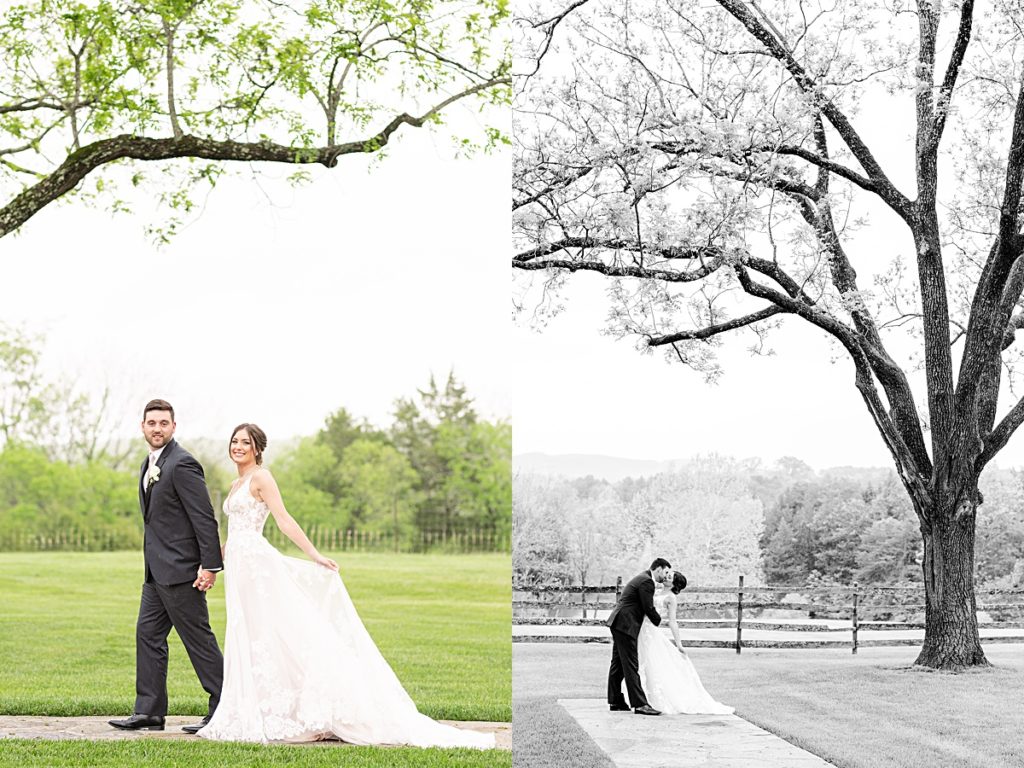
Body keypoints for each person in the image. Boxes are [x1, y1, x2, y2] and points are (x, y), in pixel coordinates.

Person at [197, 423, 494, 748]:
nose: (238, 446)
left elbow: (284, 520)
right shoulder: (234, 483)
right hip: (240, 569)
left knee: (278, 632)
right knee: (252, 635)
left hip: (258, 570)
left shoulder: (262, 478)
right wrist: (212, 567)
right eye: (235, 441)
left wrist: (314, 554)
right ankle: (266, 709)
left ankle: (314, 708)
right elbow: (235, 536)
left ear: (257, 449)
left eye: (246, 442)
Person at [109, 399, 224, 733]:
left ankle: (225, 706)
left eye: (163, 423)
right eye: (151, 423)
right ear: (142, 426)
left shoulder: (182, 464)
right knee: (148, 635)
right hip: (155, 573)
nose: (157, 428)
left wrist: (210, 566)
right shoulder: (152, 463)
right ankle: (149, 711)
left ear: (174, 426)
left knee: (198, 640)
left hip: (181, 572)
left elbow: (204, 519)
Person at [635, 572, 733, 715]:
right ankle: (640, 699)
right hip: (640, 630)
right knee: (640, 663)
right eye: (668, 574)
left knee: (651, 664)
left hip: (651, 632)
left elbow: (673, 622)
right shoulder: (654, 590)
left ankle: (652, 700)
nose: (667, 576)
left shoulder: (671, 598)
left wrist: (679, 644)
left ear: (675, 584)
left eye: (671, 577)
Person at [606, 558, 671, 715]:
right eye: (666, 572)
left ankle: (616, 701)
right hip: (626, 625)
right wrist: (659, 620)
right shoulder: (646, 582)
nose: (666, 576)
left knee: (618, 665)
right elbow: (647, 607)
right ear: (658, 569)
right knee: (630, 665)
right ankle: (640, 704)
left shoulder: (643, 578)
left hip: (619, 623)